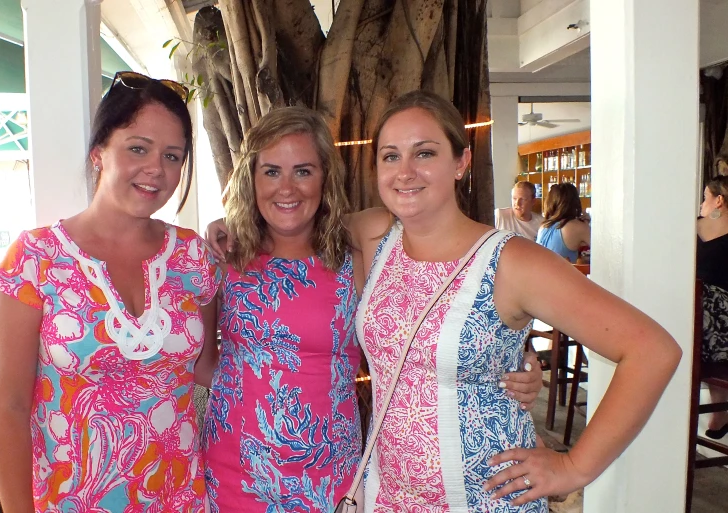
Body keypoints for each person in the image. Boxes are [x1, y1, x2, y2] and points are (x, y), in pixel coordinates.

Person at [341, 90, 680, 511]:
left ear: (461, 162)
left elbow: (651, 349)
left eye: (424, 153)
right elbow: (292, 224)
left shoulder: (511, 262)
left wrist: (573, 466)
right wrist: (232, 230)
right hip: (388, 495)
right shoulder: (375, 237)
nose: (405, 172)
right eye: (390, 156)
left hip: (486, 498)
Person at [202, 106, 543, 511]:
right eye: (271, 171)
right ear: (251, 178)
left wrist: (518, 356)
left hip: (329, 473)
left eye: (304, 171)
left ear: (326, 176)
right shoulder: (225, 255)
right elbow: (203, 363)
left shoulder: (363, 244)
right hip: (234, 469)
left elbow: (450, 285)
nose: (287, 188)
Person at [0, 72, 221, 512]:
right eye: (138, 148)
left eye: (173, 156)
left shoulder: (192, 256)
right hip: (70, 501)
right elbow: (9, 410)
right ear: (98, 153)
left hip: (180, 499)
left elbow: (208, 368)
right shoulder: (34, 260)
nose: (156, 168)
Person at [697, 175, 728, 439]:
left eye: (705, 197)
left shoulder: (694, 228)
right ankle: (719, 413)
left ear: (719, 200)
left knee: (701, 305)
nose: (701, 204)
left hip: (702, 321)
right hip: (711, 324)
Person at [536, 183, 590, 263]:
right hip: (561, 275)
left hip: (540, 273)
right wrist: (587, 224)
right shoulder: (577, 227)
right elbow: (602, 249)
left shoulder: (543, 226)